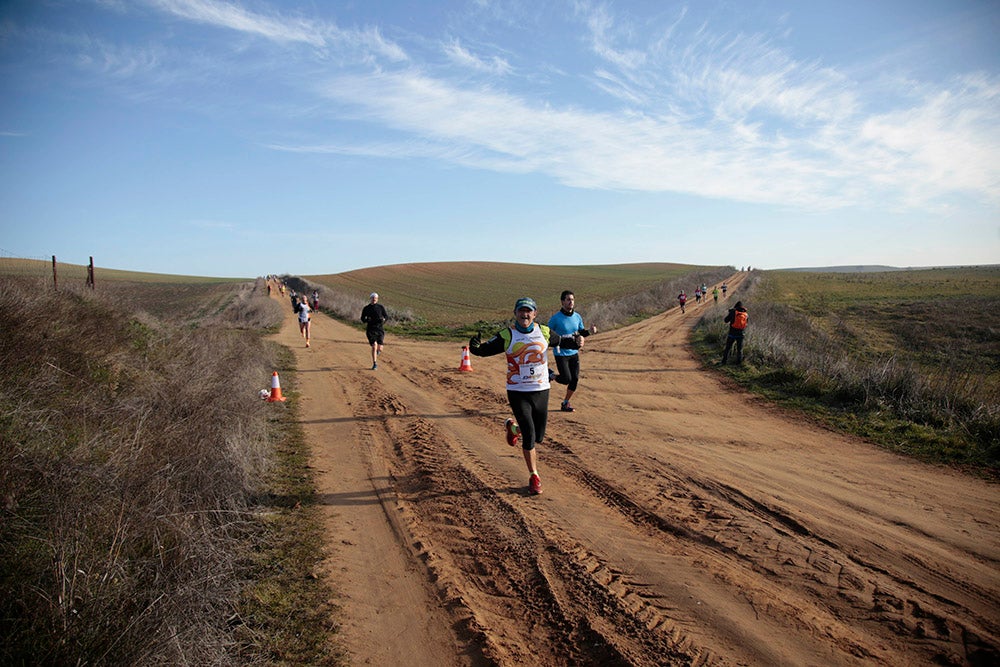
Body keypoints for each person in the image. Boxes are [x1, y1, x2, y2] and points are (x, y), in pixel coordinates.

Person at [469, 297, 583, 495]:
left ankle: (513, 428)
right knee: (529, 436)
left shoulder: (544, 332)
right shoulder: (507, 335)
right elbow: (485, 350)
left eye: (528, 311)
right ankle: (534, 476)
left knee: (538, 436)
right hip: (518, 391)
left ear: (535, 314)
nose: (525, 315)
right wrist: (475, 348)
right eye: (521, 311)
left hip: (541, 390)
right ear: (515, 314)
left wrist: (576, 342)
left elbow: (563, 341)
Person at [547, 290, 597, 412]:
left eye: (572, 299)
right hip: (561, 353)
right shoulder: (555, 319)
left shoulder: (577, 317)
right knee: (566, 379)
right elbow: (547, 335)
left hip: (574, 353)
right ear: (562, 301)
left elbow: (580, 333)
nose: (571, 302)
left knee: (574, 379)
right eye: (568, 299)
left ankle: (565, 403)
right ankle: (551, 375)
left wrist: (589, 332)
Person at [360, 292, 389, 370]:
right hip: (371, 329)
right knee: (374, 346)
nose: (374, 300)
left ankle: (377, 352)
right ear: (370, 299)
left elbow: (386, 316)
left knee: (380, 348)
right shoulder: (366, 308)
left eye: (375, 298)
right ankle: (375, 363)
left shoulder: (380, 307)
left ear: (377, 299)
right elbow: (362, 319)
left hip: (380, 329)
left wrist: (383, 320)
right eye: (373, 298)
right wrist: (367, 320)